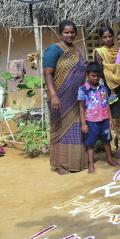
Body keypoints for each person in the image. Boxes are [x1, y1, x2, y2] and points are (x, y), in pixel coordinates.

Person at [43, 20, 87, 175]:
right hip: (59, 99)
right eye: (66, 32)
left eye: (72, 32)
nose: (70, 35)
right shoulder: (54, 49)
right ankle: (59, 164)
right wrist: (54, 96)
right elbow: (48, 73)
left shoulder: (76, 50)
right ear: (60, 33)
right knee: (59, 131)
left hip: (75, 99)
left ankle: (75, 162)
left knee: (75, 130)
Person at [93, 27, 120, 158]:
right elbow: (101, 71)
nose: (108, 39)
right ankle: (113, 149)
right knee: (112, 118)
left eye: (110, 36)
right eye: (105, 37)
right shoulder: (99, 52)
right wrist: (114, 78)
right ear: (100, 39)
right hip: (110, 87)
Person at [78, 62, 120, 174]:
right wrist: (83, 124)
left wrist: (110, 119)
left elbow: (107, 105)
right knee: (91, 143)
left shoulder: (103, 88)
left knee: (107, 141)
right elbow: (81, 108)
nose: (96, 78)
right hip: (91, 121)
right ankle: (91, 164)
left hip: (105, 120)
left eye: (98, 76)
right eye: (93, 75)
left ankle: (110, 159)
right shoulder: (83, 90)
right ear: (87, 75)